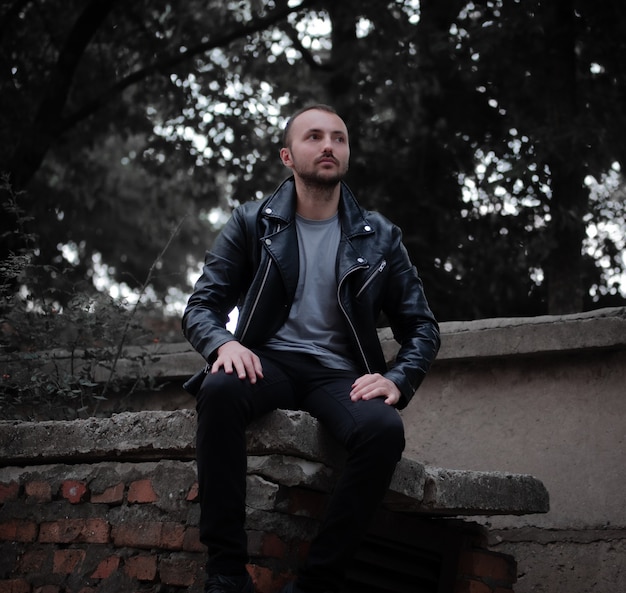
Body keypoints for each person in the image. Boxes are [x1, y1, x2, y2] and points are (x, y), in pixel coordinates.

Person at [182, 104, 440, 593]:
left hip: (340, 374)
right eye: (314, 136)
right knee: (218, 391)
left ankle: (319, 581)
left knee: (384, 430)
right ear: (287, 155)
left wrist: (397, 378)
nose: (328, 146)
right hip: (268, 363)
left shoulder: (381, 237)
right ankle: (226, 572)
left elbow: (422, 327)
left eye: (339, 138)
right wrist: (223, 343)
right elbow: (201, 306)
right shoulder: (251, 221)